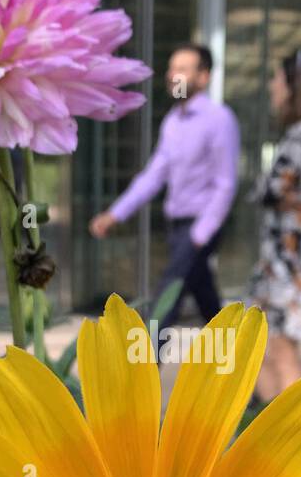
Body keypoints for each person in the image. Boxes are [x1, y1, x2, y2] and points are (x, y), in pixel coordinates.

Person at [89, 43, 239, 326]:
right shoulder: (172, 122)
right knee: (206, 300)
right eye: (171, 69)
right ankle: (231, 359)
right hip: (177, 227)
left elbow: (226, 184)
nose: (172, 76)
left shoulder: (219, 120)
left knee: (166, 298)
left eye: (182, 70)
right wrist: (115, 214)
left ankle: (143, 362)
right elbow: (153, 176)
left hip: (198, 226)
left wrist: (199, 235)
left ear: (203, 76)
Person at [250, 49, 301, 401]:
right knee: (268, 350)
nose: (272, 86)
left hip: (290, 262)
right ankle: (270, 429)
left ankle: (297, 437)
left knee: (282, 351)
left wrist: (263, 188)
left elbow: (271, 189)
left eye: (277, 78)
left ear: (294, 85)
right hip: (285, 258)